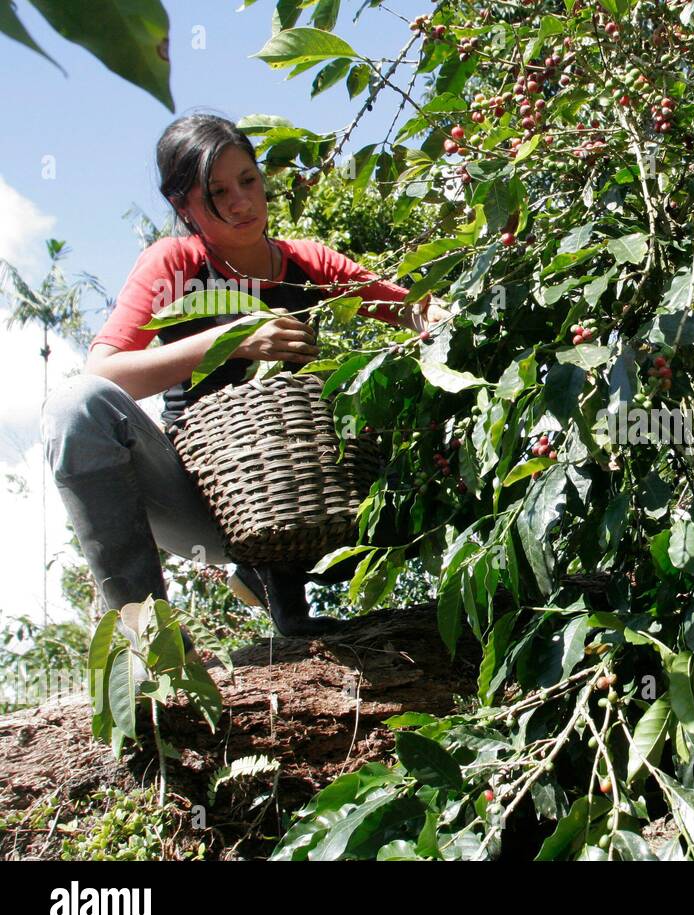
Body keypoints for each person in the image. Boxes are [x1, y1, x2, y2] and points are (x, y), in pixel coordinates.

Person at [42, 113, 445, 643]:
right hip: (199, 502)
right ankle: (149, 639)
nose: (241, 203)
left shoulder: (308, 263)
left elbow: (415, 311)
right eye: (217, 193)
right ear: (182, 206)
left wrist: (460, 311)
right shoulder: (176, 264)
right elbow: (104, 372)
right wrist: (229, 339)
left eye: (248, 182)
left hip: (307, 498)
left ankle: (285, 591)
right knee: (75, 406)